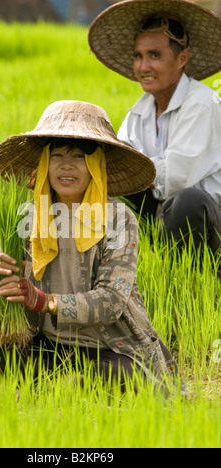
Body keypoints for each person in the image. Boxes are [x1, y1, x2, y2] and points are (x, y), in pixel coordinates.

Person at [0, 100, 186, 394]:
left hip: (108, 350)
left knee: (122, 377)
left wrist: (44, 301)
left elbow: (111, 301)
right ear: (45, 163)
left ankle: (48, 387)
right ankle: (59, 385)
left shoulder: (118, 219)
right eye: (57, 155)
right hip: (44, 346)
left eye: (78, 156)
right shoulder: (27, 216)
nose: (66, 165)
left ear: (96, 164)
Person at [89, 0, 221, 270]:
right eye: (138, 56)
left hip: (208, 224)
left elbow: (177, 180)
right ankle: (116, 278)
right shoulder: (138, 114)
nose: (143, 66)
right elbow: (120, 174)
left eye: (155, 55)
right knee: (112, 188)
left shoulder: (201, 102)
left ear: (182, 58)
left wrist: (133, 166)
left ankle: (192, 287)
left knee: (187, 202)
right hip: (164, 222)